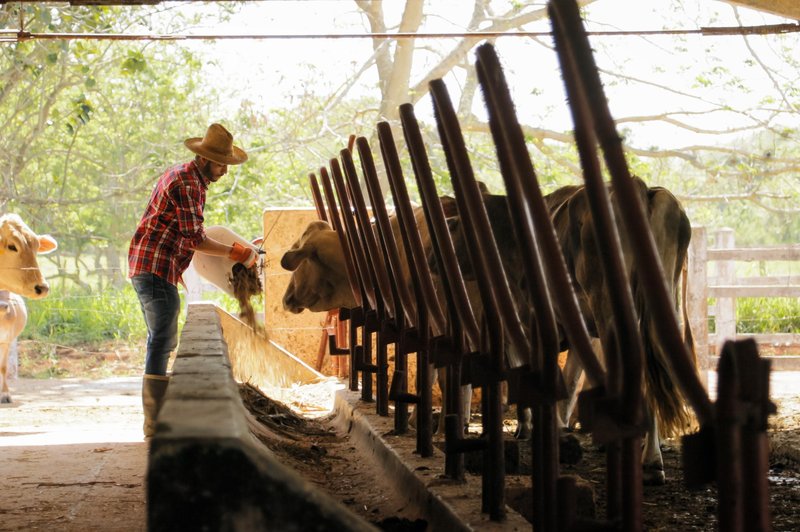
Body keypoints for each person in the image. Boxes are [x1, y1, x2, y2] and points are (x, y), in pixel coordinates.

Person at [127, 123, 259, 437]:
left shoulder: (183, 175)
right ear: (204, 160)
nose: (224, 171)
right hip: (155, 268)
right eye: (221, 164)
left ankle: (155, 418)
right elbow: (196, 239)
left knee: (159, 340)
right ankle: (154, 422)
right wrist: (239, 253)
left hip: (151, 266)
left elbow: (185, 236)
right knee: (162, 341)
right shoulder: (189, 184)